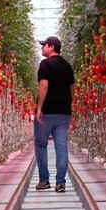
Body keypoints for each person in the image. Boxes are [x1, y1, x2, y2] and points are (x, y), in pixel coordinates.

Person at [34, 36, 75, 193]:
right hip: (63, 112)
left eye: (44, 45)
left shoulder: (45, 64)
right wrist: (68, 104)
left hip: (47, 112)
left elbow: (44, 85)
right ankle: (60, 183)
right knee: (61, 147)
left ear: (51, 47)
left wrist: (39, 108)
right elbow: (72, 87)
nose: (42, 48)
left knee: (41, 145)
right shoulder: (67, 65)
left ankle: (44, 180)